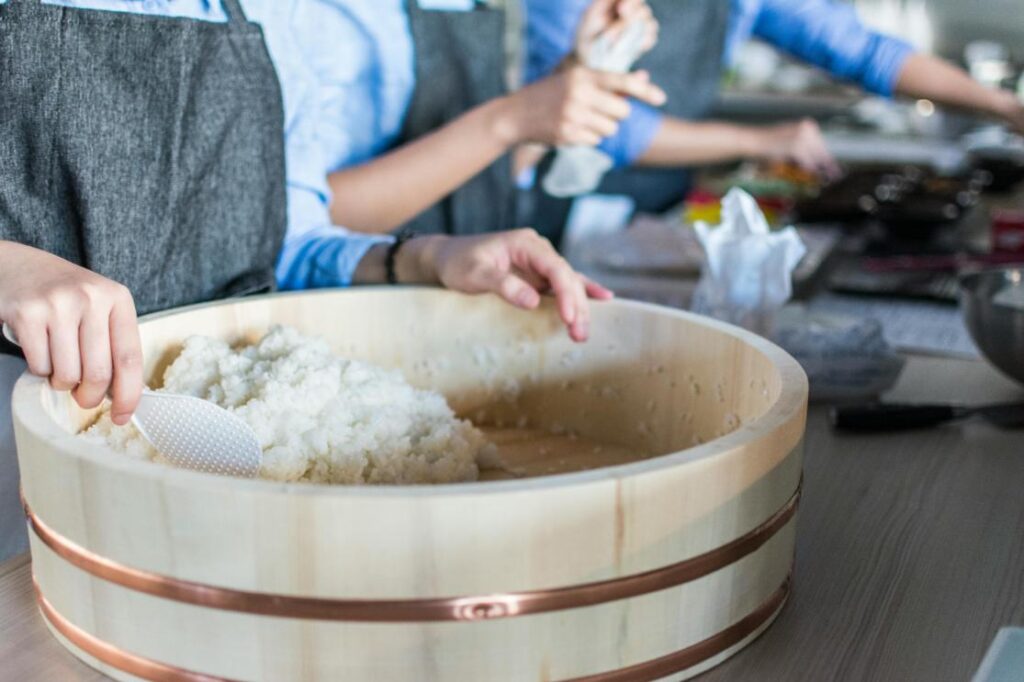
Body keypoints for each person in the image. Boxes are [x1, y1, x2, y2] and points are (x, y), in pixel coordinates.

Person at [0, 0, 612, 562]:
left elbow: (287, 239)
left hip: (211, 448)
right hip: (25, 436)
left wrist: (425, 258)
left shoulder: (279, 16)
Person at [526, 0, 1024, 240]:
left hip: (660, 205)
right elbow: (610, 126)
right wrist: (763, 139)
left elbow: (863, 52)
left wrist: (1003, 106)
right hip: (554, 204)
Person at [312, 0, 664, 239]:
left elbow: (485, 177)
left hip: (463, 287)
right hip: (352, 303)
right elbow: (300, 219)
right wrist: (510, 119)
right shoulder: (310, 15)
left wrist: (578, 72)